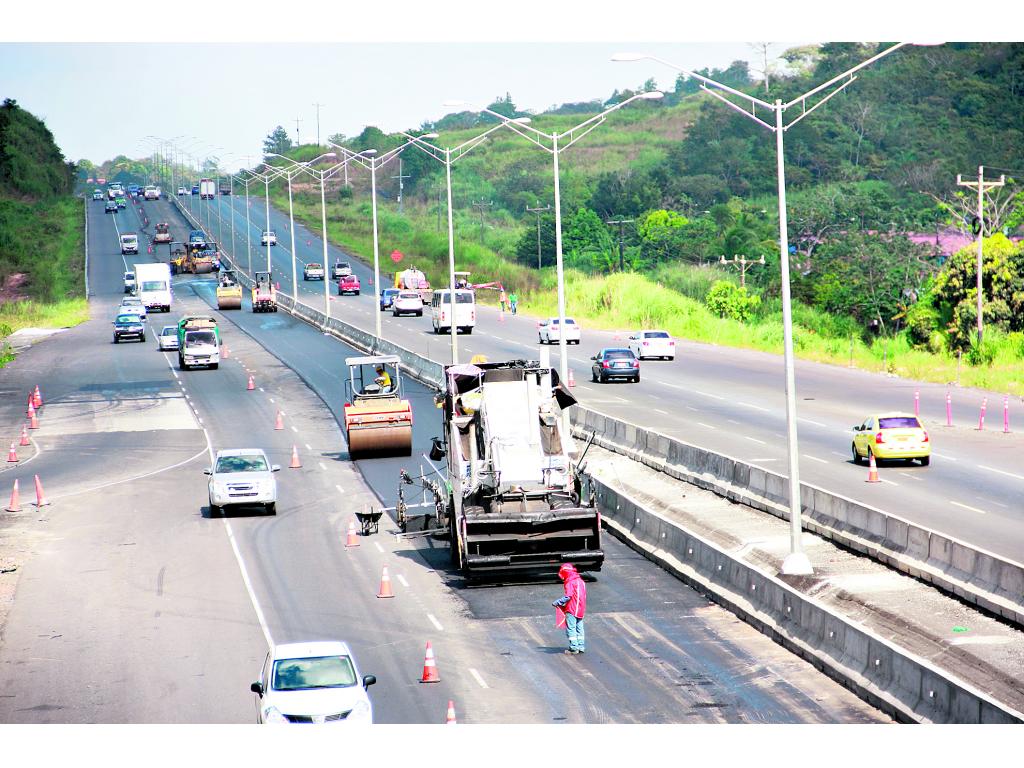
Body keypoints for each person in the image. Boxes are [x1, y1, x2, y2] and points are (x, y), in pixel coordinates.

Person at [552, 562, 586, 654]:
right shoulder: (581, 581)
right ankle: (581, 646)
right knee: (579, 628)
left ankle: (574, 648)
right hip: (581, 609)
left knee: (571, 628)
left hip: (571, 608)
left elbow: (568, 596)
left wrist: (557, 602)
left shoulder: (570, 582)